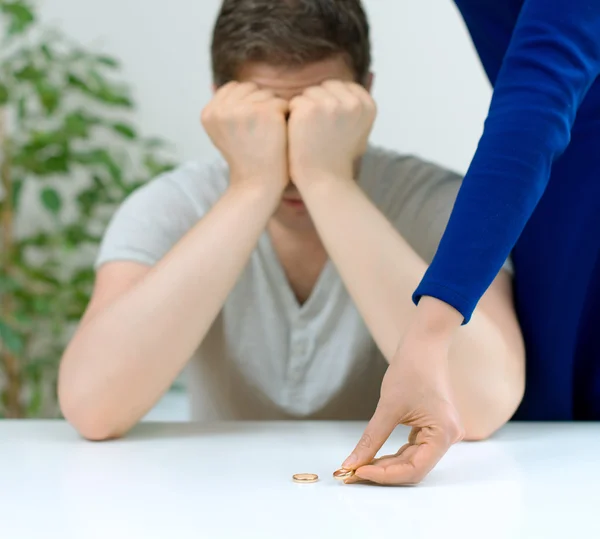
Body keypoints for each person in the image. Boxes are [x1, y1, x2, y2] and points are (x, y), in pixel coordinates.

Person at [58, 0, 524, 477]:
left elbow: (481, 406)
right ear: (221, 104)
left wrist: (328, 182)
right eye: (269, 120)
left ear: (366, 94)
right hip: (218, 494)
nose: (294, 147)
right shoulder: (170, 206)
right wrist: (250, 187)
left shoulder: (439, 203)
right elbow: (93, 408)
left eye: (317, 118)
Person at [342, 0, 600, 486]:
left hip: (557, 170)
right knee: (548, 463)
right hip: (543, 194)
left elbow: (539, 88)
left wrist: (428, 336)